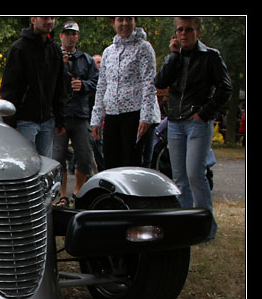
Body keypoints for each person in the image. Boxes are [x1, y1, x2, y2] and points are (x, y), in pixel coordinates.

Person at [155, 17, 232, 242]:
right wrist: (173, 56)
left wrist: (204, 113)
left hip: (197, 122)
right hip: (175, 123)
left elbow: (225, 88)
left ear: (198, 31)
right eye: (180, 30)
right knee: (179, 178)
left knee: (195, 174)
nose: (183, 34)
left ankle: (206, 229)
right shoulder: (176, 57)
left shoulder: (210, 56)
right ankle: (185, 227)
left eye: (188, 30)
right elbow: (159, 82)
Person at [90, 17, 160, 169]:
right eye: (120, 20)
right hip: (112, 115)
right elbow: (102, 85)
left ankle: (131, 193)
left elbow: (149, 84)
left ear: (135, 21)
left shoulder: (144, 48)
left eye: (129, 19)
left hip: (134, 114)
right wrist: (96, 118)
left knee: (131, 163)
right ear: (113, 23)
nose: (124, 24)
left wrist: (146, 117)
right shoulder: (108, 52)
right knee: (110, 162)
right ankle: (112, 193)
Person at [0, 16, 67, 158]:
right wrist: (10, 121)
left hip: (47, 120)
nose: (49, 21)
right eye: (44, 17)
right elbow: (9, 87)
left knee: (45, 165)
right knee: (25, 163)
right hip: (24, 120)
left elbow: (59, 86)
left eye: (52, 17)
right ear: (33, 19)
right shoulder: (19, 49)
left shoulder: (54, 50)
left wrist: (60, 118)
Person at [51, 21, 98, 205]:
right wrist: (59, 66)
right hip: (59, 115)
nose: (70, 37)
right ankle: (62, 195)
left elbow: (97, 82)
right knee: (58, 157)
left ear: (78, 37)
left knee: (85, 156)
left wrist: (83, 85)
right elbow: (46, 82)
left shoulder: (86, 59)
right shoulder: (54, 57)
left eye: (73, 34)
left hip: (80, 115)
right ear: (61, 36)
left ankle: (78, 191)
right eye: (67, 33)